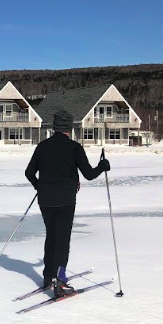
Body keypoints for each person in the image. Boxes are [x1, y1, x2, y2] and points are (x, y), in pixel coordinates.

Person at [25, 110, 110, 297]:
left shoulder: (42, 146)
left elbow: (29, 173)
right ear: (70, 128)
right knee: (62, 239)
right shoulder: (74, 147)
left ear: (54, 127)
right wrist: (103, 166)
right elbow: (89, 174)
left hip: (46, 200)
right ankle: (60, 280)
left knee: (52, 236)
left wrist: (40, 186)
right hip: (65, 200)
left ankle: (49, 277)